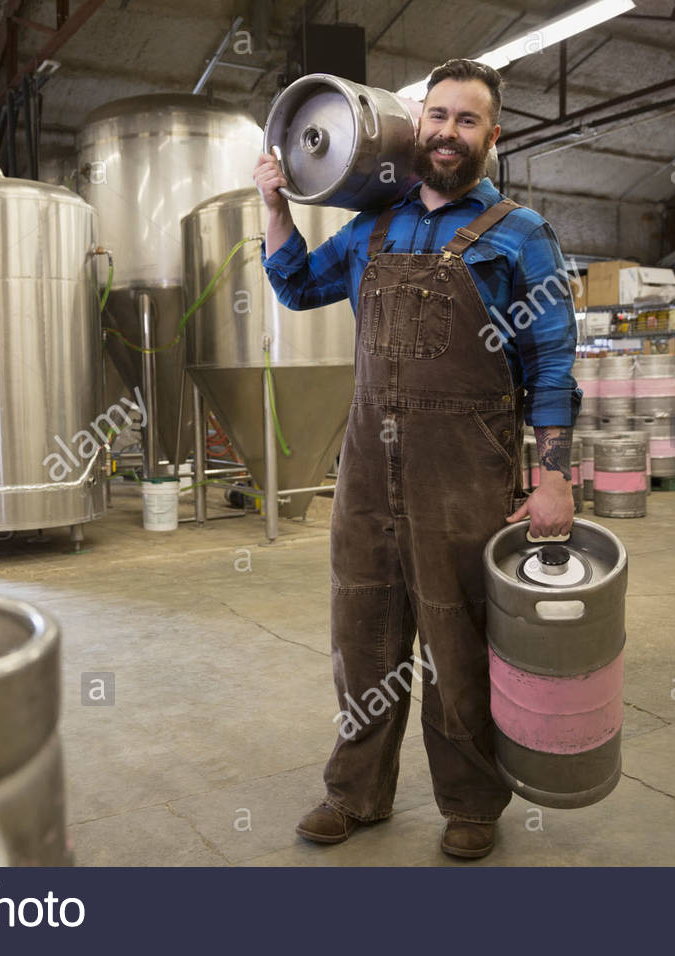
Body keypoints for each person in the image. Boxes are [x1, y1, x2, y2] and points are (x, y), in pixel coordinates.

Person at [254, 58, 580, 861]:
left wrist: (554, 475)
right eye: (437, 116)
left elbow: (552, 362)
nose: (447, 133)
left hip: (465, 475)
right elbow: (294, 285)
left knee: (458, 643)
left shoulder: (521, 234)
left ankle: (471, 802)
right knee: (361, 632)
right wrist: (272, 202)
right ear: (414, 124)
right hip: (367, 470)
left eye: (467, 121)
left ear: (492, 137)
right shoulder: (375, 224)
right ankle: (355, 792)